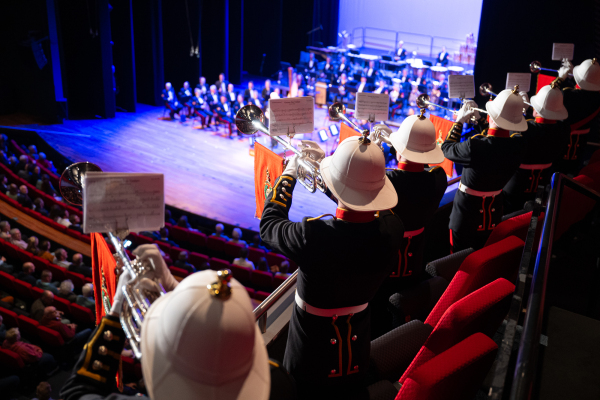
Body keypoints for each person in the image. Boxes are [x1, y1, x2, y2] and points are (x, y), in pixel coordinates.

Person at [259, 135, 403, 397]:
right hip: (358, 346)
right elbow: (365, 205)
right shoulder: (393, 229)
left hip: (310, 352)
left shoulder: (313, 236)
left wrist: (289, 174)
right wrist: (339, 175)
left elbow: (269, 226)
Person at [60, 246, 296, 400]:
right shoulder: (279, 384)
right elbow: (215, 334)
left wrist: (115, 310)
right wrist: (178, 291)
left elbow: (77, 392)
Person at [443, 88, 526, 251]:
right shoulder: (519, 145)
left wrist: (459, 121)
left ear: (490, 117)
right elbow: (497, 140)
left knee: (459, 259)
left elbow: (447, 148)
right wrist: (481, 120)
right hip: (494, 214)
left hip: (466, 217)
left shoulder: (475, 146)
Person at [380, 109, 449, 286]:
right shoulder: (438, 177)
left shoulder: (387, 180)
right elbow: (421, 168)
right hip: (416, 255)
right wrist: (402, 146)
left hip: (385, 255)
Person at [503, 82, 570, 213]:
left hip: (514, 188)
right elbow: (543, 127)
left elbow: (504, 130)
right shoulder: (564, 129)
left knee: (510, 219)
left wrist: (518, 112)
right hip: (542, 188)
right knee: (533, 219)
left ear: (536, 109)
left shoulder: (524, 130)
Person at [554, 58, 600, 174]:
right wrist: (577, 77)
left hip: (561, 138)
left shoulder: (568, 95)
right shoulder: (597, 99)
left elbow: (549, 98)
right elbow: (586, 92)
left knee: (556, 170)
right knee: (574, 169)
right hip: (582, 142)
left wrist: (560, 79)